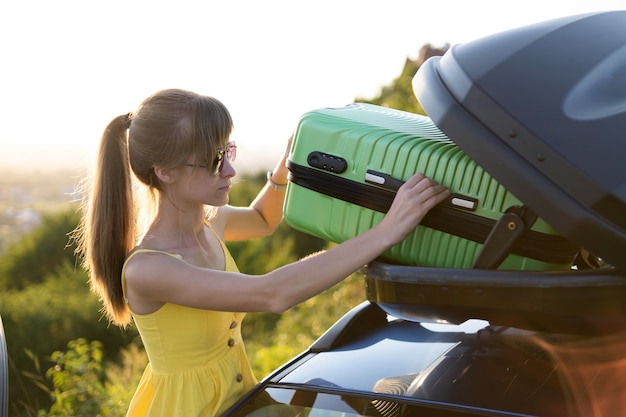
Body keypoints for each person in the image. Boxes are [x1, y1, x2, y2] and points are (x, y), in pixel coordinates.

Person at [75, 88, 449, 417]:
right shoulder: (149, 270)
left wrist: (289, 162)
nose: (231, 170)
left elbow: (261, 218)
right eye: (214, 160)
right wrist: (387, 231)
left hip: (241, 401)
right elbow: (272, 293)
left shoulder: (211, 222)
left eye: (228, 150)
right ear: (166, 172)